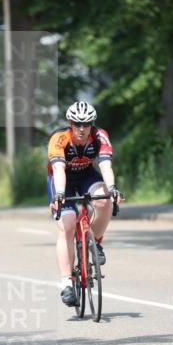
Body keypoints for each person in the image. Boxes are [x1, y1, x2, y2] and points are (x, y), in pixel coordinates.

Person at [47, 101, 122, 308]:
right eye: (77, 124)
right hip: (62, 180)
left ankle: (95, 242)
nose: (82, 129)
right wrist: (60, 195)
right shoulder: (59, 138)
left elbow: (105, 165)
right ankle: (66, 283)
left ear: (92, 124)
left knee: (104, 201)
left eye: (86, 124)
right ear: (70, 123)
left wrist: (113, 187)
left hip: (87, 175)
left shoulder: (100, 136)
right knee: (68, 225)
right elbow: (59, 170)